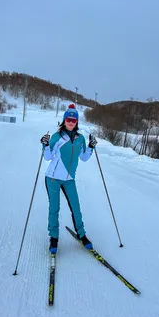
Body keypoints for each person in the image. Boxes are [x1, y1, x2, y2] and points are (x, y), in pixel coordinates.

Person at [40, 104, 98, 254]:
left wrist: (91, 147)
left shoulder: (80, 139)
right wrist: (45, 145)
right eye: (68, 119)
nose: (71, 122)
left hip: (69, 179)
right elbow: (47, 157)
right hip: (52, 178)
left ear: (77, 122)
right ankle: (54, 238)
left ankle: (82, 234)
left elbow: (84, 157)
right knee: (54, 208)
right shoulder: (57, 137)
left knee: (76, 208)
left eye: (74, 120)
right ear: (64, 120)